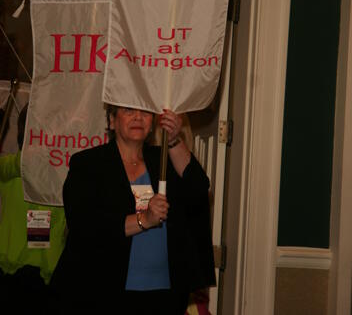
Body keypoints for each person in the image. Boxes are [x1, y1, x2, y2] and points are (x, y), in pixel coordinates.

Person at [50, 106, 215, 315]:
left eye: (145, 112)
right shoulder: (88, 164)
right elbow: (85, 225)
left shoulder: (163, 159)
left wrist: (173, 139)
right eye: (128, 111)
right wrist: (143, 220)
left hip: (165, 293)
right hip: (103, 292)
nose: (138, 117)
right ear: (112, 121)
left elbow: (198, 187)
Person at [0, 104, 66, 312]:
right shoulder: (13, 165)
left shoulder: (68, 170)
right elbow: (14, 166)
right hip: (10, 272)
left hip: (48, 276)